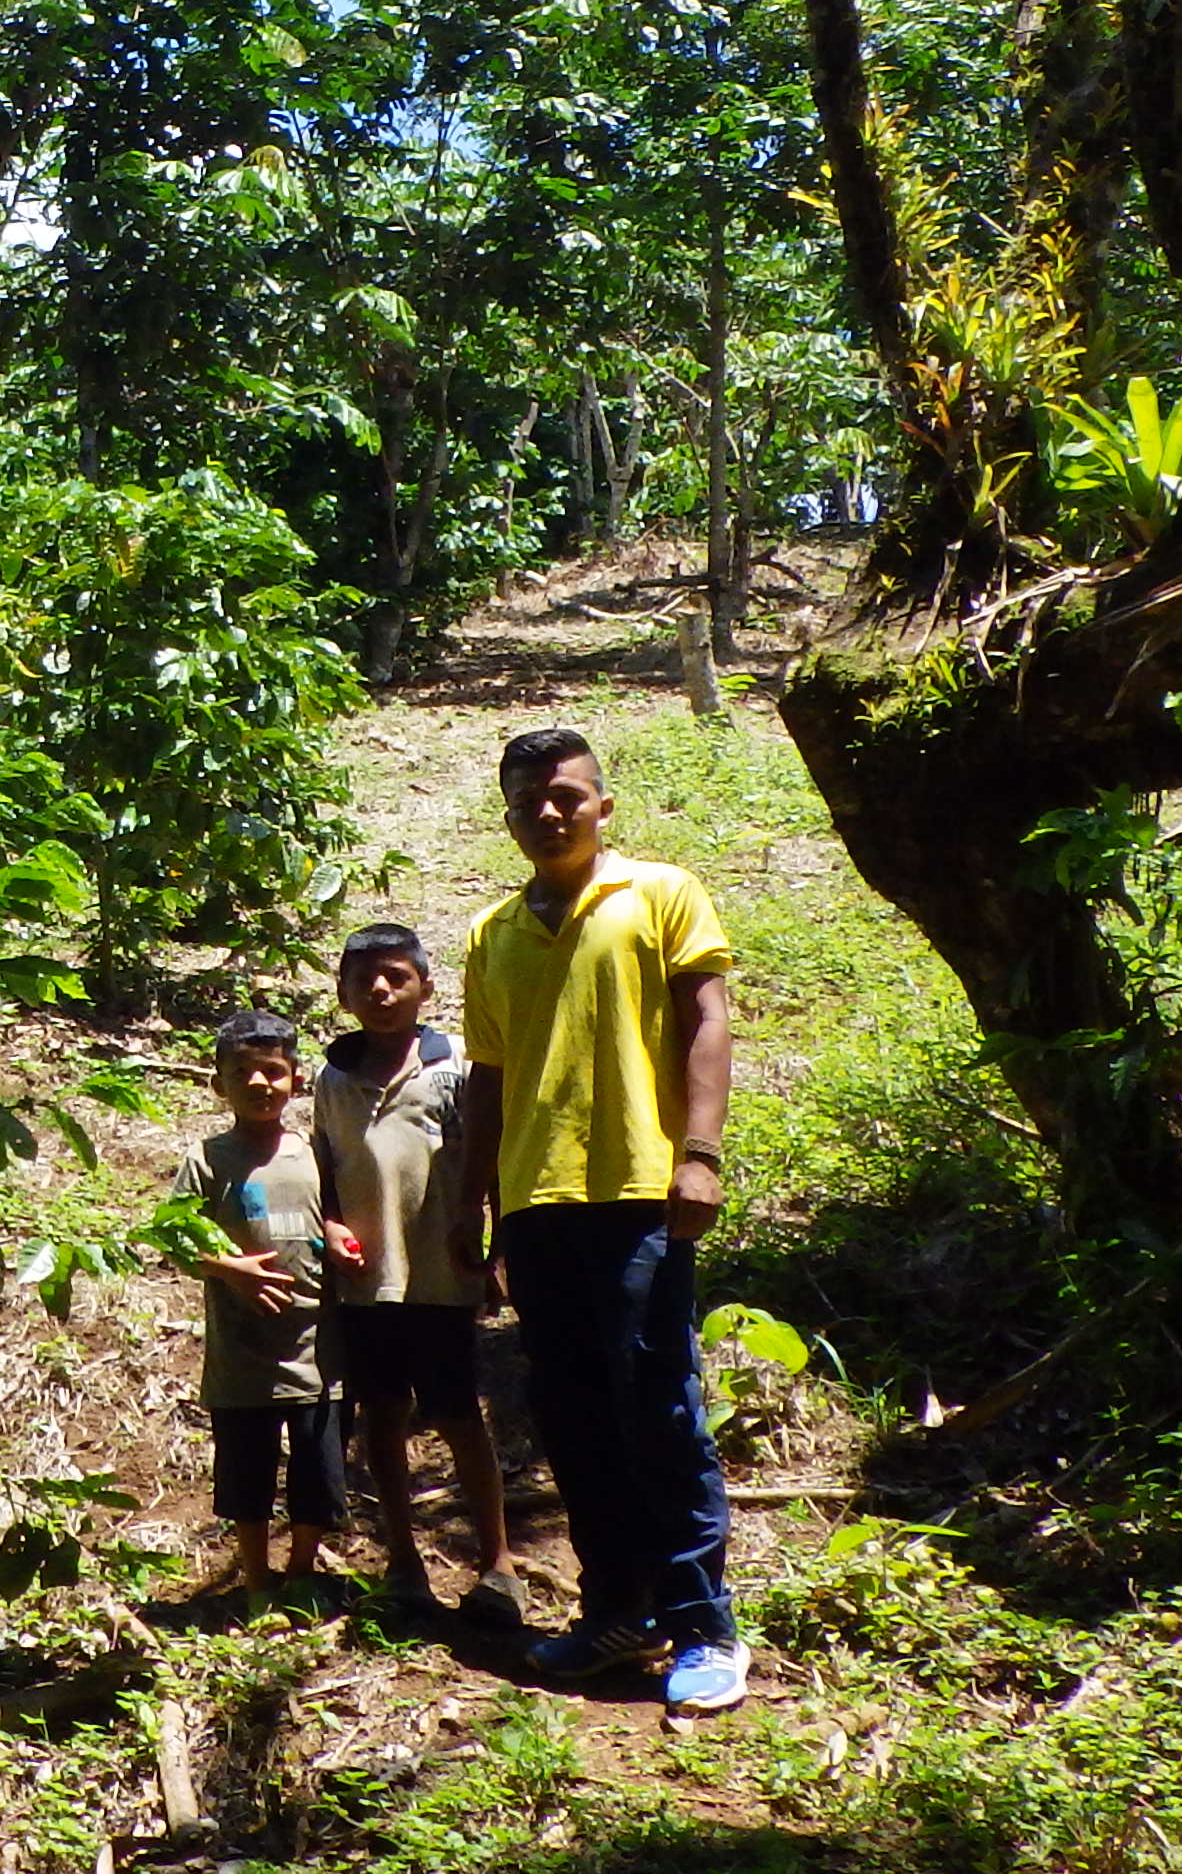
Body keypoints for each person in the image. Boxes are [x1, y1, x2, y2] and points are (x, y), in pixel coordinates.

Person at [454, 724, 750, 1715]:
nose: (548, 813)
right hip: (537, 1205)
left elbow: (707, 1019)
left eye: (567, 797)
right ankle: (615, 1613)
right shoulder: (492, 933)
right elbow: (487, 1084)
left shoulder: (660, 894)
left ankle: (704, 1624)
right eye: (529, 801)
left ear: (602, 805)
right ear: (508, 816)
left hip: (640, 1190)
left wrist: (698, 1156)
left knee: (660, 1405)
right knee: (574, 1418)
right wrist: (475, 1206)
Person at [310, 921, 521, 1627]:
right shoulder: (332, 1079)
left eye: (397, 975)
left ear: (426, 987)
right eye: (364, 978)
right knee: (383, 1412)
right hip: (368, 1282)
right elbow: (323, 1171)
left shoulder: (457, 1066)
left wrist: (494, 1250)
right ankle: (403, 1562)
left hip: (442, 1275)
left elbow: (492, 1156)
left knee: (460, 1414)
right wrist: (332, 1226)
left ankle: (498, 1564)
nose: (380, 988)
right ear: (342, 993)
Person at [174, 1009, 337, 1596]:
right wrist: (230, 1269)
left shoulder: (316, 1152)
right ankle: (257, 1577)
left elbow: (334, 1215)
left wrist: (340, 1235)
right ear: (219, 1083)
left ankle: (300, 1570)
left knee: (317, 1467)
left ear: (296, 1077)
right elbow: (171, 1236)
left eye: (272, 1070)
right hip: (242, 1352)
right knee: (248, 1471)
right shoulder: (208, 1158)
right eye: (241, 1071)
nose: (259, 1083)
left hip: (317, 1349)